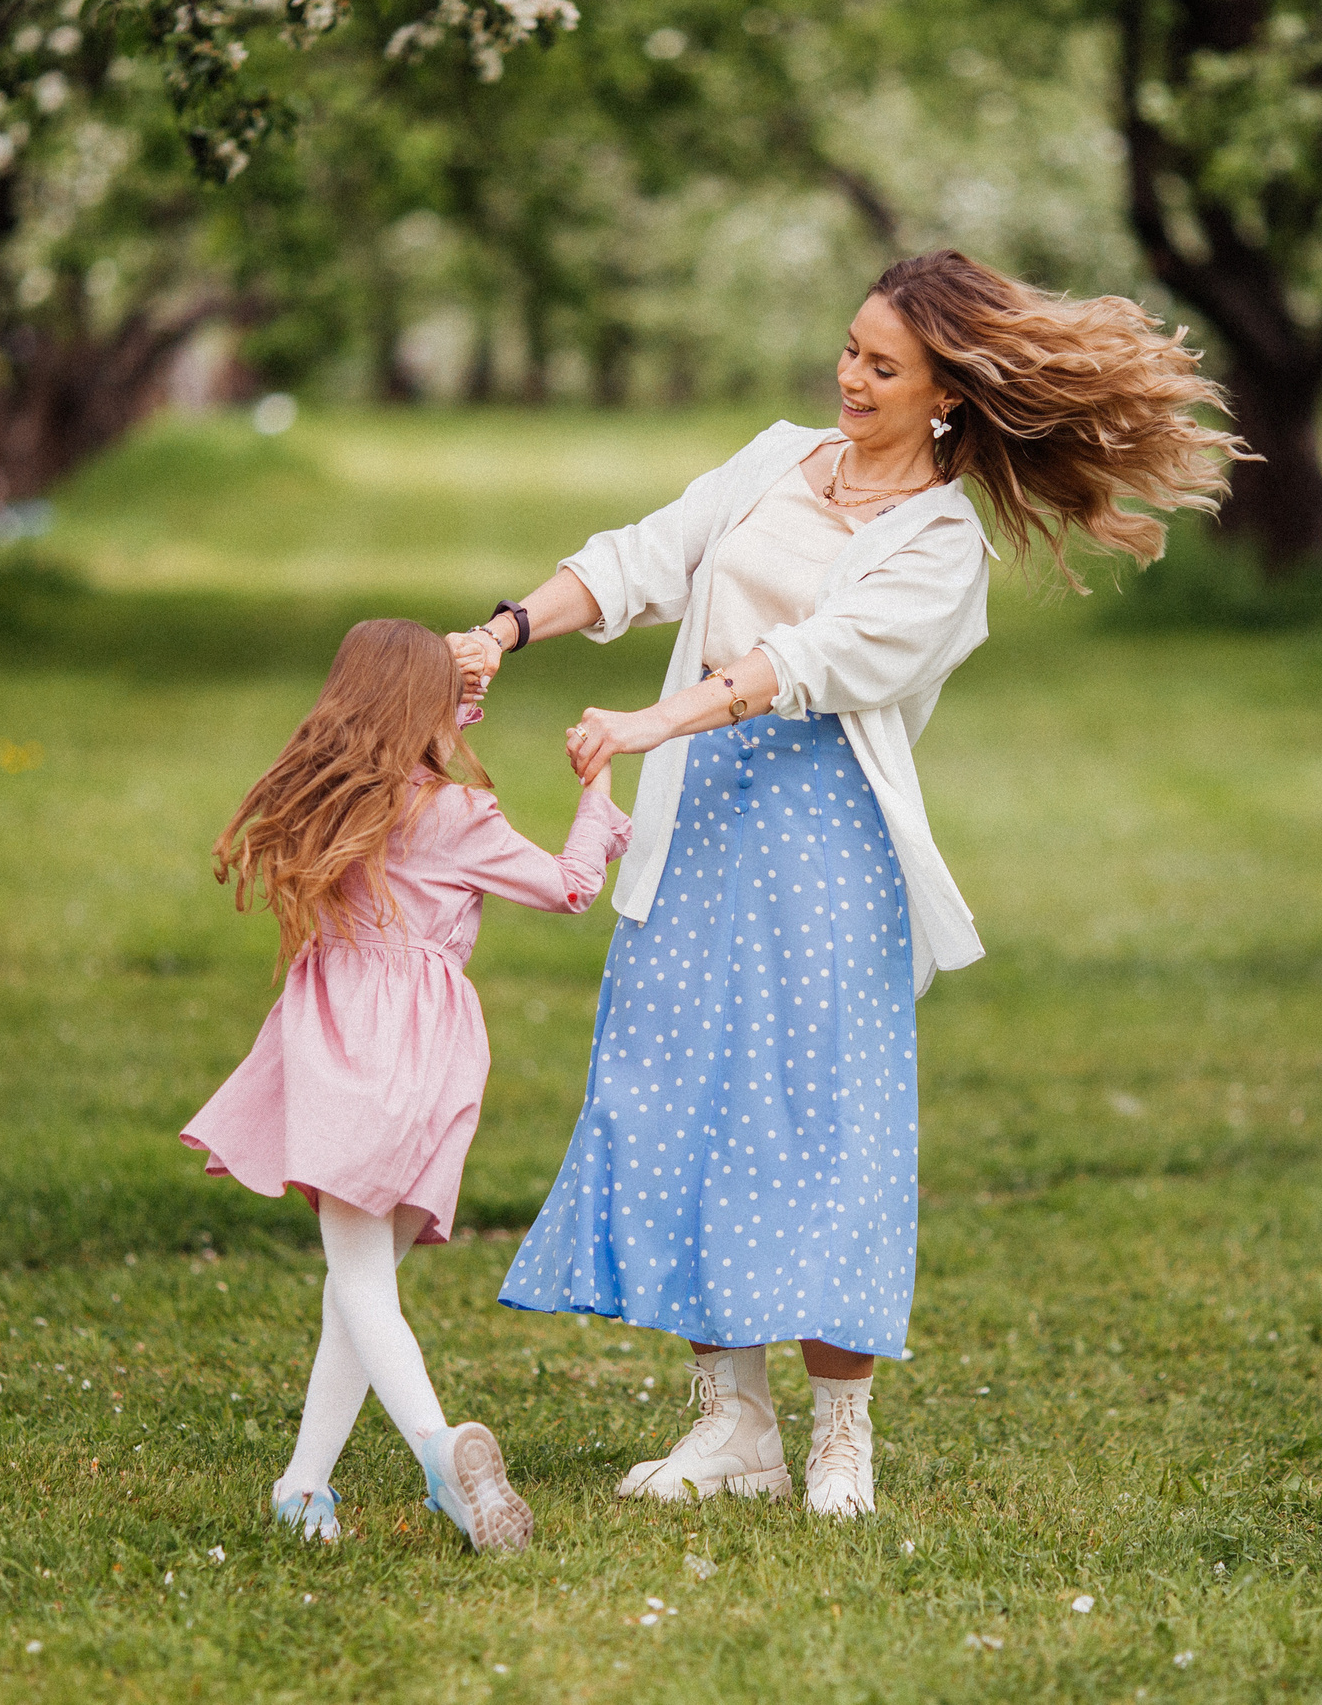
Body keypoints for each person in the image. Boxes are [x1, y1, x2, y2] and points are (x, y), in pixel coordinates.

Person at [456, 250, 1241, 1518]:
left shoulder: (940, 544)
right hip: (701, 827)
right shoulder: (776, 459)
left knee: (823, 1122)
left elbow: (814, 659)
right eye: (849, 350)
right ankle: (734, 1424)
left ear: (946, 392)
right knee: (688, 1098)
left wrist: (657, 720)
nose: (851, 378)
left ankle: (840, 1437)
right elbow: (645, 556)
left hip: (823, 843)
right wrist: (502, 630)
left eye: (884, 365)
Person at [179, 618, 631, 1553]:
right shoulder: (459, 816)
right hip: (430, 1061)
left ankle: (417, 1454)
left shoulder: (328, 798)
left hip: (344, 1049)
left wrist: (448, 686)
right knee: (363, 1280)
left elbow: (403, 735)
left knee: (358, 1278)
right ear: (427, 711)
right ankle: (333, 1478)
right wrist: (598, 796)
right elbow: (571, 885)